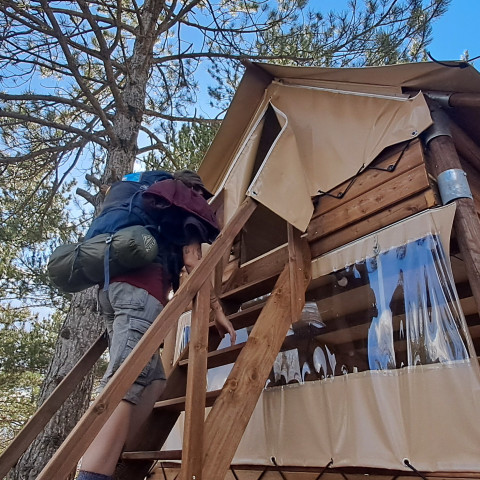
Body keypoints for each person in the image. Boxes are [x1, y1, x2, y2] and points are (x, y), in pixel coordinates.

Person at [77, 172, 236, 480]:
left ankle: (116, 458)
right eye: (202, 196)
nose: (203, 201)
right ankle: (93, 475)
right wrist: (217, 309)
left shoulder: (150, 203)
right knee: (125, 380)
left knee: (154, 381)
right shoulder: (185, 204)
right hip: (140, 296)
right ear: (195, 189)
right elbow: (193, 261)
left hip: (111, 291)